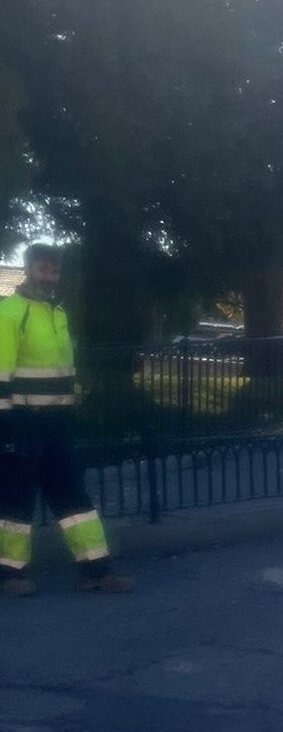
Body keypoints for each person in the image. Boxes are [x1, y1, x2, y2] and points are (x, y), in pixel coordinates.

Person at [0, 244, 132, 595]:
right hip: (23, 419)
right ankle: (10, 576)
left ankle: (96, 572)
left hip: (58, 421)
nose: (50, 276)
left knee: (74, 498)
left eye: (55, 271)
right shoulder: (10, 312)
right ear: (29, 269)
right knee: (16, 499)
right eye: (44, 269)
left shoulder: (58, 313)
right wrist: (5, 422)